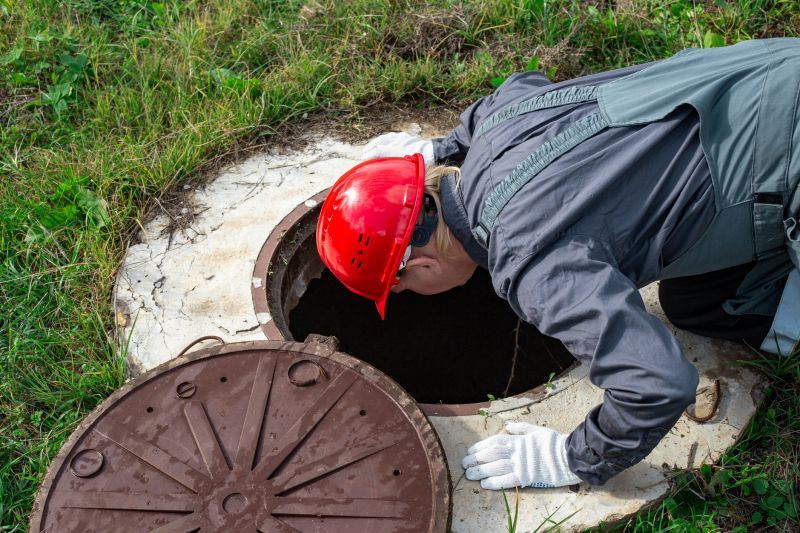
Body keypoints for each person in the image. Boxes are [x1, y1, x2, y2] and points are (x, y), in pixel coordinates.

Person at [315, 38, 800, 489]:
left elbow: (658, 384)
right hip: (770, 73)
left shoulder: (530, 263)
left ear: (416, 263)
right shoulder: (498, 128)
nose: (407, 297)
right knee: (701, 304)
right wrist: (441, 147)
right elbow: (514, 88)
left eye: (399, 289)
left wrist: (571, 458)